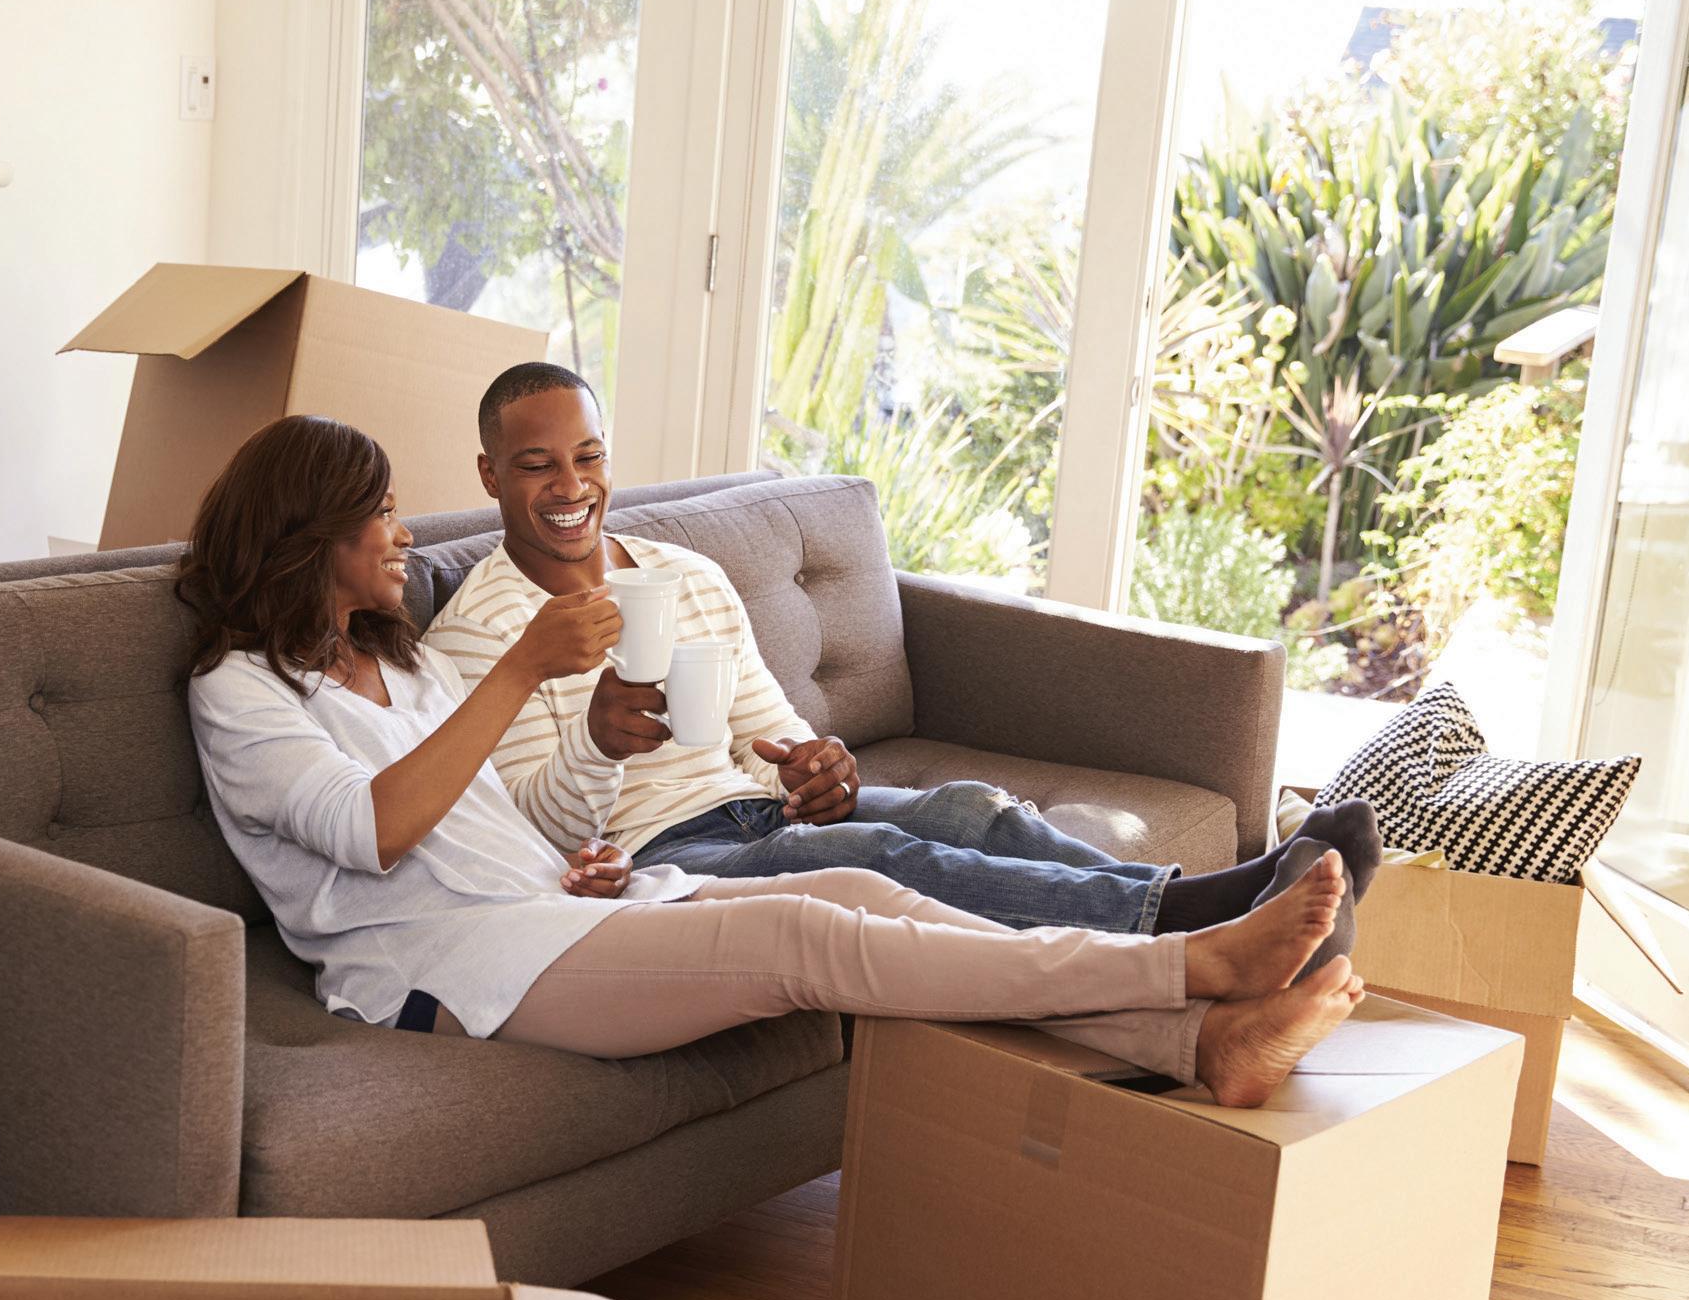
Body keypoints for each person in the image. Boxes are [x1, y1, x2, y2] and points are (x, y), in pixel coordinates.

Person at [179, 413, 1367, 1107]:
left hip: (552, 909)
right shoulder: (238, 691)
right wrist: (524, 670)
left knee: (857, 887)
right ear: (308, 534)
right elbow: (374, 829)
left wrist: (586, 810)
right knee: (806, 936)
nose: (402, 533)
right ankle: (1184, 962)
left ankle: (1200, 1042)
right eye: (380, 512)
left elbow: (496, 816)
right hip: (446, 967)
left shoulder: (398, 665)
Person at [421, 362, 1384, 955]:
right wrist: (597, 742)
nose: (571, 486)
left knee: (968, 809)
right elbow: (534, 831)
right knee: (884, 856)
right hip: (660, 859)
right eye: (537, 465)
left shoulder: (685, 574)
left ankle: (1209, 902)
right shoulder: (477, 631)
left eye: (587, 456)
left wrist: (816, 766)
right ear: (490, 475)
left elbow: (767, 731)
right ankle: (1203, 918)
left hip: (750, 808)